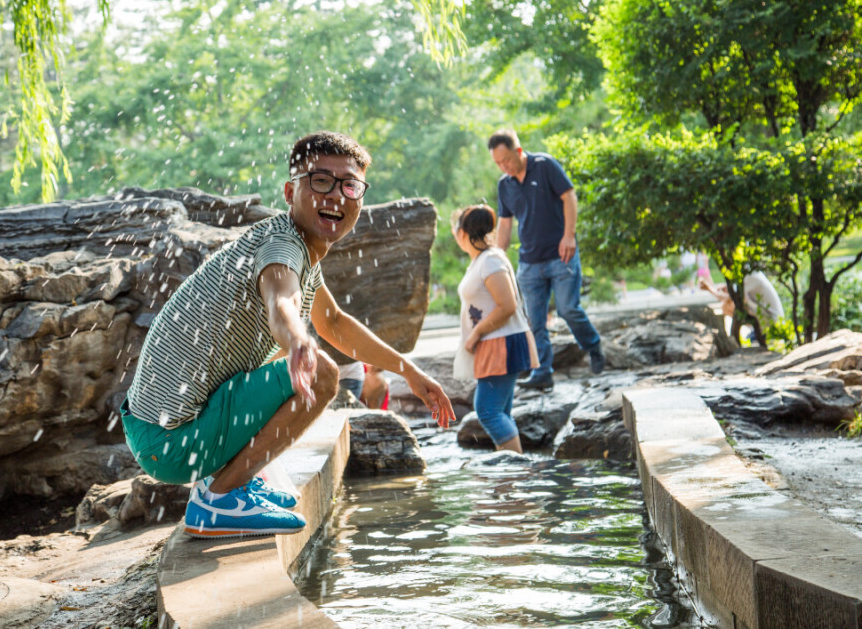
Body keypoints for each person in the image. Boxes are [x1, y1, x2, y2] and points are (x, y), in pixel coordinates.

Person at [121, 131, 455, 539]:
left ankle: (235, 480)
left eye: (349, 185)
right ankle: (218, 500)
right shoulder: (283, 245)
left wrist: (410, 372)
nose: (336, 195)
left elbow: (333, 321)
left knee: (296, 363)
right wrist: (297, 340)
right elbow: (280, 300)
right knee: (320, 373)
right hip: (172, 441)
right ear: (289, 190)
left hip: (158, 432)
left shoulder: (302, 248)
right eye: (320, 181)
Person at [488, 129, 604, 390]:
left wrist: (569, 236)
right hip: (529, 262)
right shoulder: (504, 185)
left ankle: (594, 346)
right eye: (498, 163)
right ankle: (542, 372)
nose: (503, 166)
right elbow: (505, 225)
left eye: (506, 160)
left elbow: (569, 197)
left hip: (561, 255)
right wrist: (496, 258)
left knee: (568, 309)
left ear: (518, 151)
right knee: (534, 320)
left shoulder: (545, 165)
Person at [452, 205, 539, 452]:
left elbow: (507, 305)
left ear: (462, 232)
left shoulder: (491, 260)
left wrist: (477, 332)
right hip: (496, 343)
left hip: (503, 342)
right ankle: (510, 481)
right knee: (500, 412)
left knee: (487, 411)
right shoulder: (481, 260)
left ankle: (514, 472)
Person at [699, 270, 784, 333]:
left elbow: (730, 298)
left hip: (772, 322)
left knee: (726, 305)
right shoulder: (752, 275)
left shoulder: (750, 277)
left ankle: (753, 332)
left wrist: (710, 289)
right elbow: (734, 294)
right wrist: (727, 288)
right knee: (728, 304)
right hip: (770, 320)